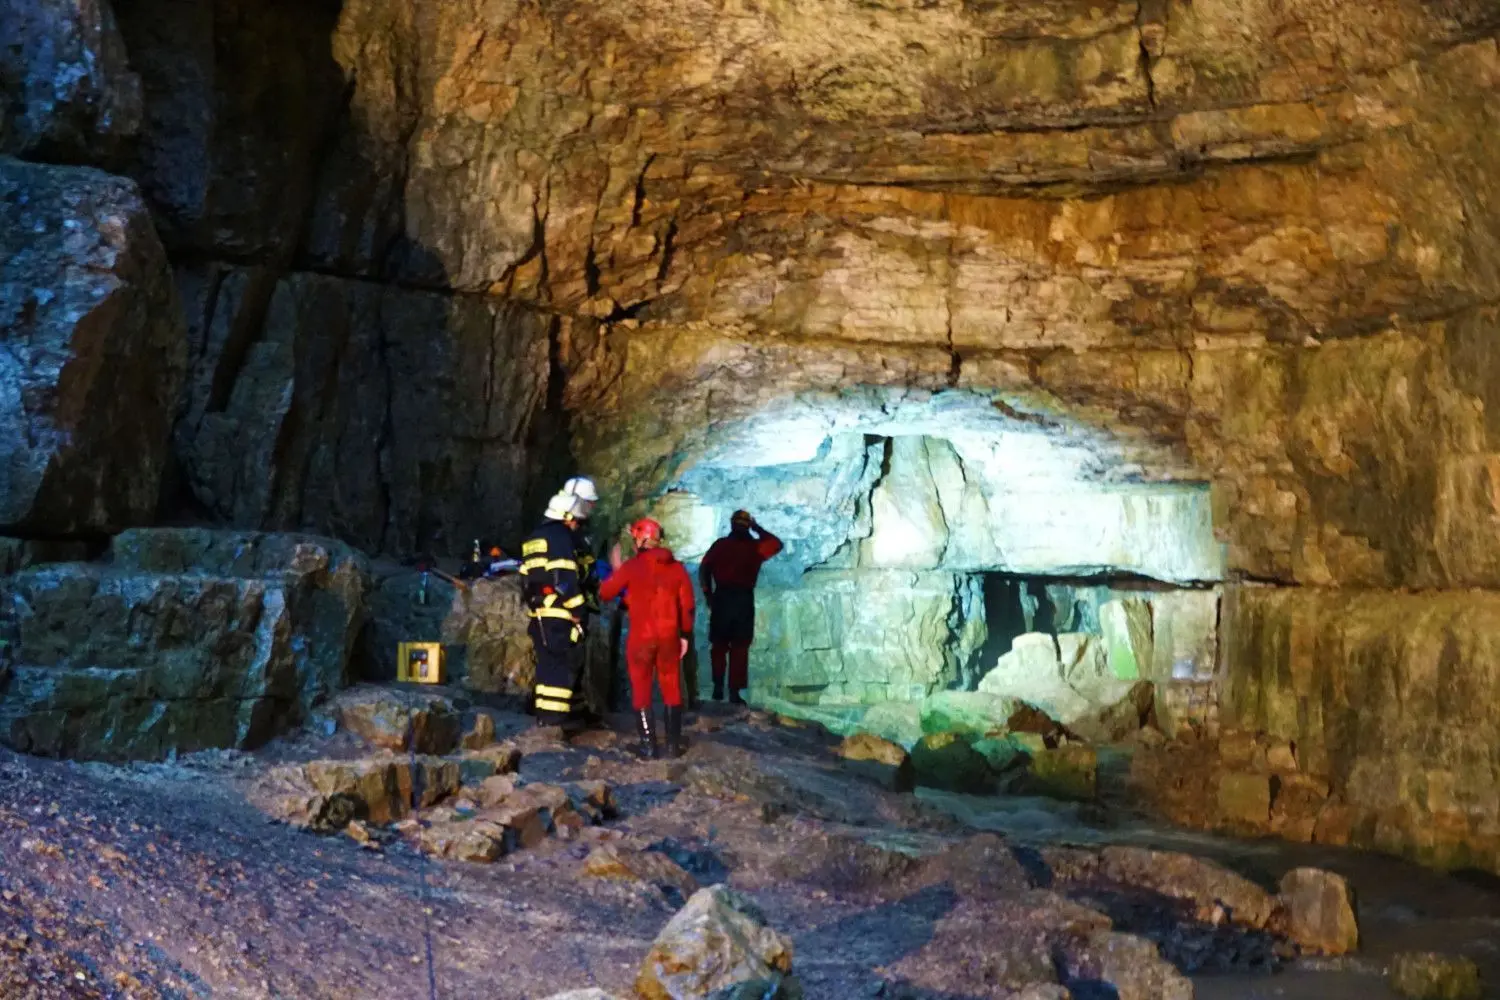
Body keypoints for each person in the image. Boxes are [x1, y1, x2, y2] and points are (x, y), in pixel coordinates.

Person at [598, 517, 695, 758]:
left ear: (642, 540)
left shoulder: (632, 567)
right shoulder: (677, 568)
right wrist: (684, 634)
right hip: (669, 636)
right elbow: (688, 605)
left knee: (641, 687)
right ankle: (672, 747)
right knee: (671, 687)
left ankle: (648, 746)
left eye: (635, 539)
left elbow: (606, 592)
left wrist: (617, 569)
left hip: (642, 638)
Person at [517, 476, 599, 731]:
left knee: (551, 664)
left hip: (541, 611)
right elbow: (565, 577)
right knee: (560, 666)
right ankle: (553, 722)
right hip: (560, 613)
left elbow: (525, 576)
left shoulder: (536, 536)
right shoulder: (560, 538)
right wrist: (578, 610)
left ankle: (559, 714)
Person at [698, 510, 782, 704]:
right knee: (740, 646)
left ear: (732, 524)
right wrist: (757, 528)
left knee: (719, 645)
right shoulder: (755, 548)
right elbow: (777, 544)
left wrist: (708, 594)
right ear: (747, 525)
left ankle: (718, 687)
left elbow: (705, 568)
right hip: (743, 599)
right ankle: (734, 692)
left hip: (722, 597)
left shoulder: (721, 546)